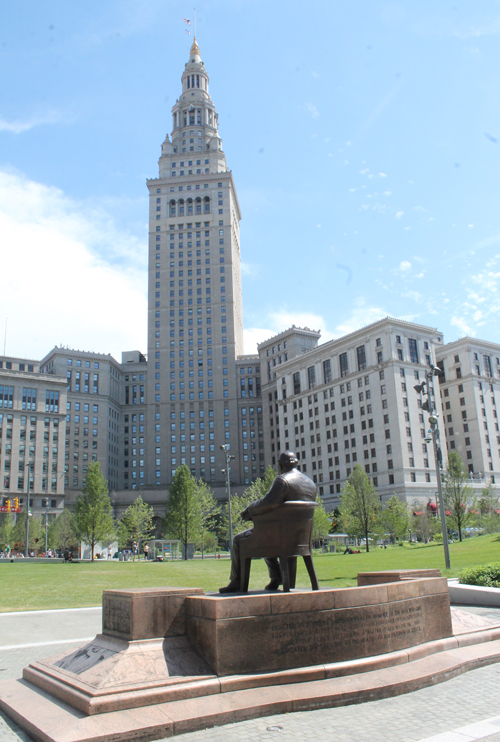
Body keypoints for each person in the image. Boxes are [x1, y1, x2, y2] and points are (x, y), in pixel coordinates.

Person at [219, 451, 316, 593]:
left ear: (281, 465)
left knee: (239, 540)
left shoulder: (283, 480)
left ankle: (236, 581)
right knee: (266, 534)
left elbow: (268, 502)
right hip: (299, 537)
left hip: (281, 535)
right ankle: (277, 577)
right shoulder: (310, 484)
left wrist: (249, 510)